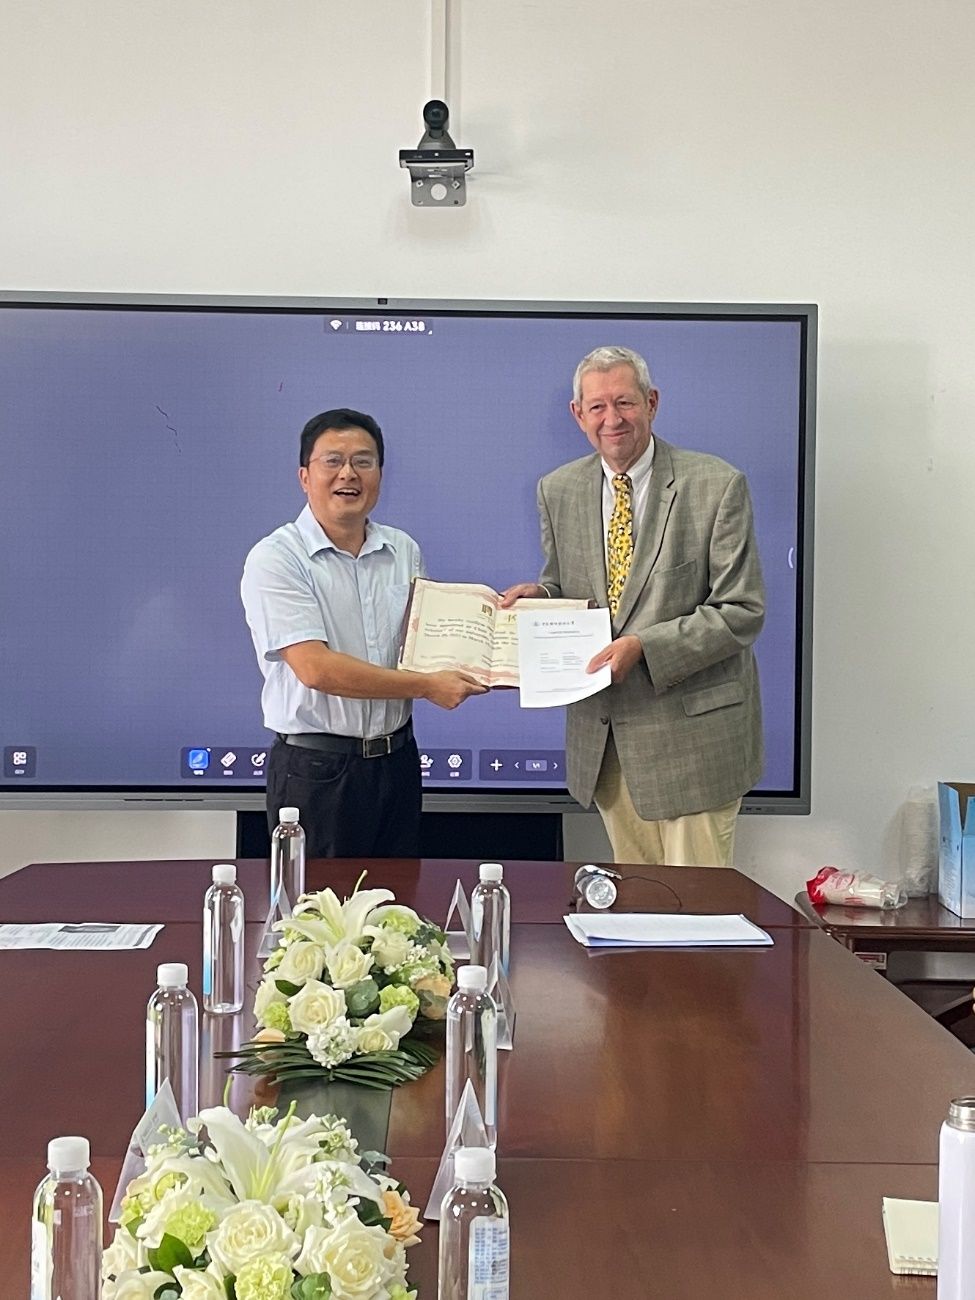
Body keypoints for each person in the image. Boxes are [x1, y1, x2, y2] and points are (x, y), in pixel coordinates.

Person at [503, 346, 765, 867]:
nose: (612, 419)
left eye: (624, 402)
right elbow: (567, 588)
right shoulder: (558, 490)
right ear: (578, 415)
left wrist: (644, 646)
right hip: (609, 744)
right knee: (638, 906)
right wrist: (542, 599)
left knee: (697, 908)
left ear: (652, 403)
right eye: (597, 407)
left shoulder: (715, 484)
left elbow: (741, 610)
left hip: (694, 746)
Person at [241, 408, 486, 858]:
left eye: (363, 461)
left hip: (397, 765)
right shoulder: (276, 558)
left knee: (398, 900)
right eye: (332, 461)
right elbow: (316, 669)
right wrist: (428, 686)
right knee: (317, 904)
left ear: (379, 474)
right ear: (304, 476)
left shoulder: (402, 550)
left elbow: (426, 643)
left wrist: (497, 634)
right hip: (317, 773)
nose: (348, 474)